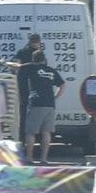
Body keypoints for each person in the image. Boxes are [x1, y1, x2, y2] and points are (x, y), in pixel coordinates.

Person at [16, 34, 66, 164]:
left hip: (36, 103)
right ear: (44, 59)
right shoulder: (51, 70)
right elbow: (63, 84)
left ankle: (30, 158)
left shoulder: (30, 68)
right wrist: (56, 96)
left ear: (33, 59)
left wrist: (4, 62)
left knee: (30, 132)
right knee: (46, 132)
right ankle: (44, 159)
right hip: (50, 104)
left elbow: (16, 66)